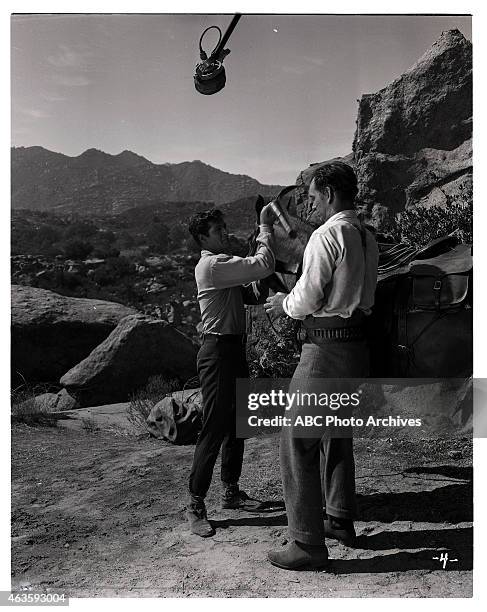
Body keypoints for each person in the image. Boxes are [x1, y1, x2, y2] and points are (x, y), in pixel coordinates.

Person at [264, 162, 379, 570]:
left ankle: (307, 544)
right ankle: (340, 519)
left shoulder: (327, 235)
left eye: (313, 196)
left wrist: (283, 303)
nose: (310, 204)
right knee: (335, 432)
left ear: (329, 193)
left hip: (325, 351)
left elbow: (306, 299)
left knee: (296, 439)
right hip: (356, 349)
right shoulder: (366, 235)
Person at [186, 205, 276, 537]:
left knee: (238, 423)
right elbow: (262, 264)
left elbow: (251, 294)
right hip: (218, 352)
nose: (225, 233)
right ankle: (195, 503)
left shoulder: (222, 266)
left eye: (224, 227)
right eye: (218, 229)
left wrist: (259, 282)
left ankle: (230, 492)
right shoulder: (213, 265)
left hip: (231, 349)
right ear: (202, 237)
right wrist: (265, 229)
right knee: (215, 426)